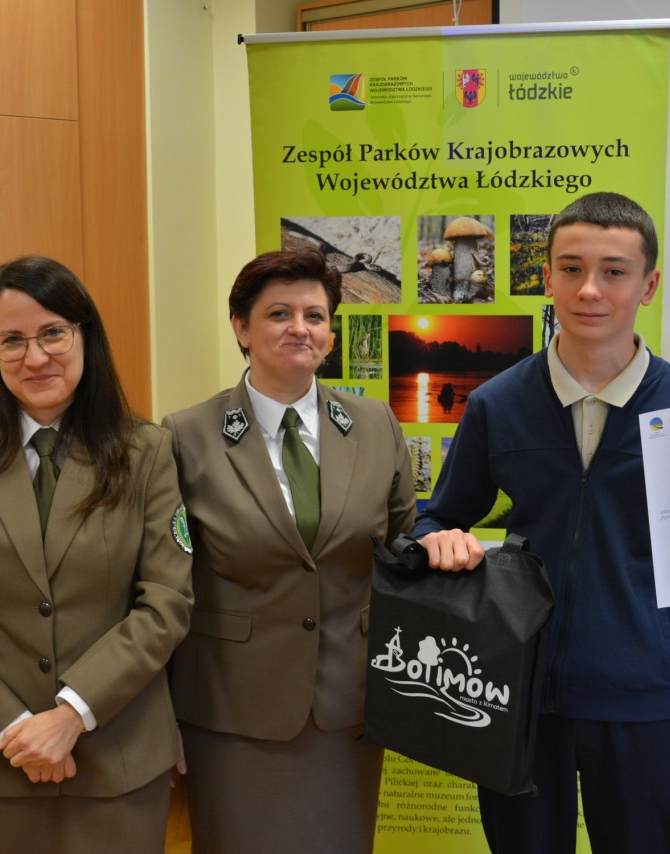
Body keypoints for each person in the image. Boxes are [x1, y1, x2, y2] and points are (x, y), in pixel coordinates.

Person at [412, 192, 670, 853]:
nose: (590, 290)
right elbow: (436, 518)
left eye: (614, 271)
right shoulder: (497, 404)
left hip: (643, 699)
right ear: (546, 278)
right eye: (571, 269)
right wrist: (437, 538)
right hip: (515, 694)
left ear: (649, 285)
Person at [0, 256, 194, 852]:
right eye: (12, 340)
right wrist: (13, 728)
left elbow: (166, 602)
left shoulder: (146, 453)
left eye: (53, 332)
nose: (35, 358)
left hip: (117, 752)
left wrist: (71, 714)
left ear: (85, 335)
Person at [164, 249, 416, 853]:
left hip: (347, 706)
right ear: (241, 328)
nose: (299, 328)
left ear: (331, 333)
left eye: (315, 315)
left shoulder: (376, 425)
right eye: (279, 314)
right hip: (231, 710)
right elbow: (165, 585)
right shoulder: (185, 436)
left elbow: (400, 547)